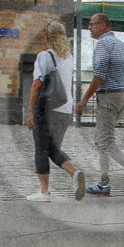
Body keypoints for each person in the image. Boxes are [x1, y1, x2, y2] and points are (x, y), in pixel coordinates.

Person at [74, 13, 124, 200]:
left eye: (92, 25)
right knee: (102, 140)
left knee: (106, 142)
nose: (89, 28)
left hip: (108, 96)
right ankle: (103, 184)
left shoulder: (103, 45)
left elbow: (99, 75)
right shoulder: (122, 46)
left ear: (103, 25)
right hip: (121, 96)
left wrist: (83, 100)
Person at [26, 21, 86, 202]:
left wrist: (30, 111)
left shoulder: (45, 56)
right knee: (53, 148)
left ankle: (44, 193)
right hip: (65, 110)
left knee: (41, 148)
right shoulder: (68, 58)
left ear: (47, 38)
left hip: (46, 110)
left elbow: (37, 84)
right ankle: (75, 174)